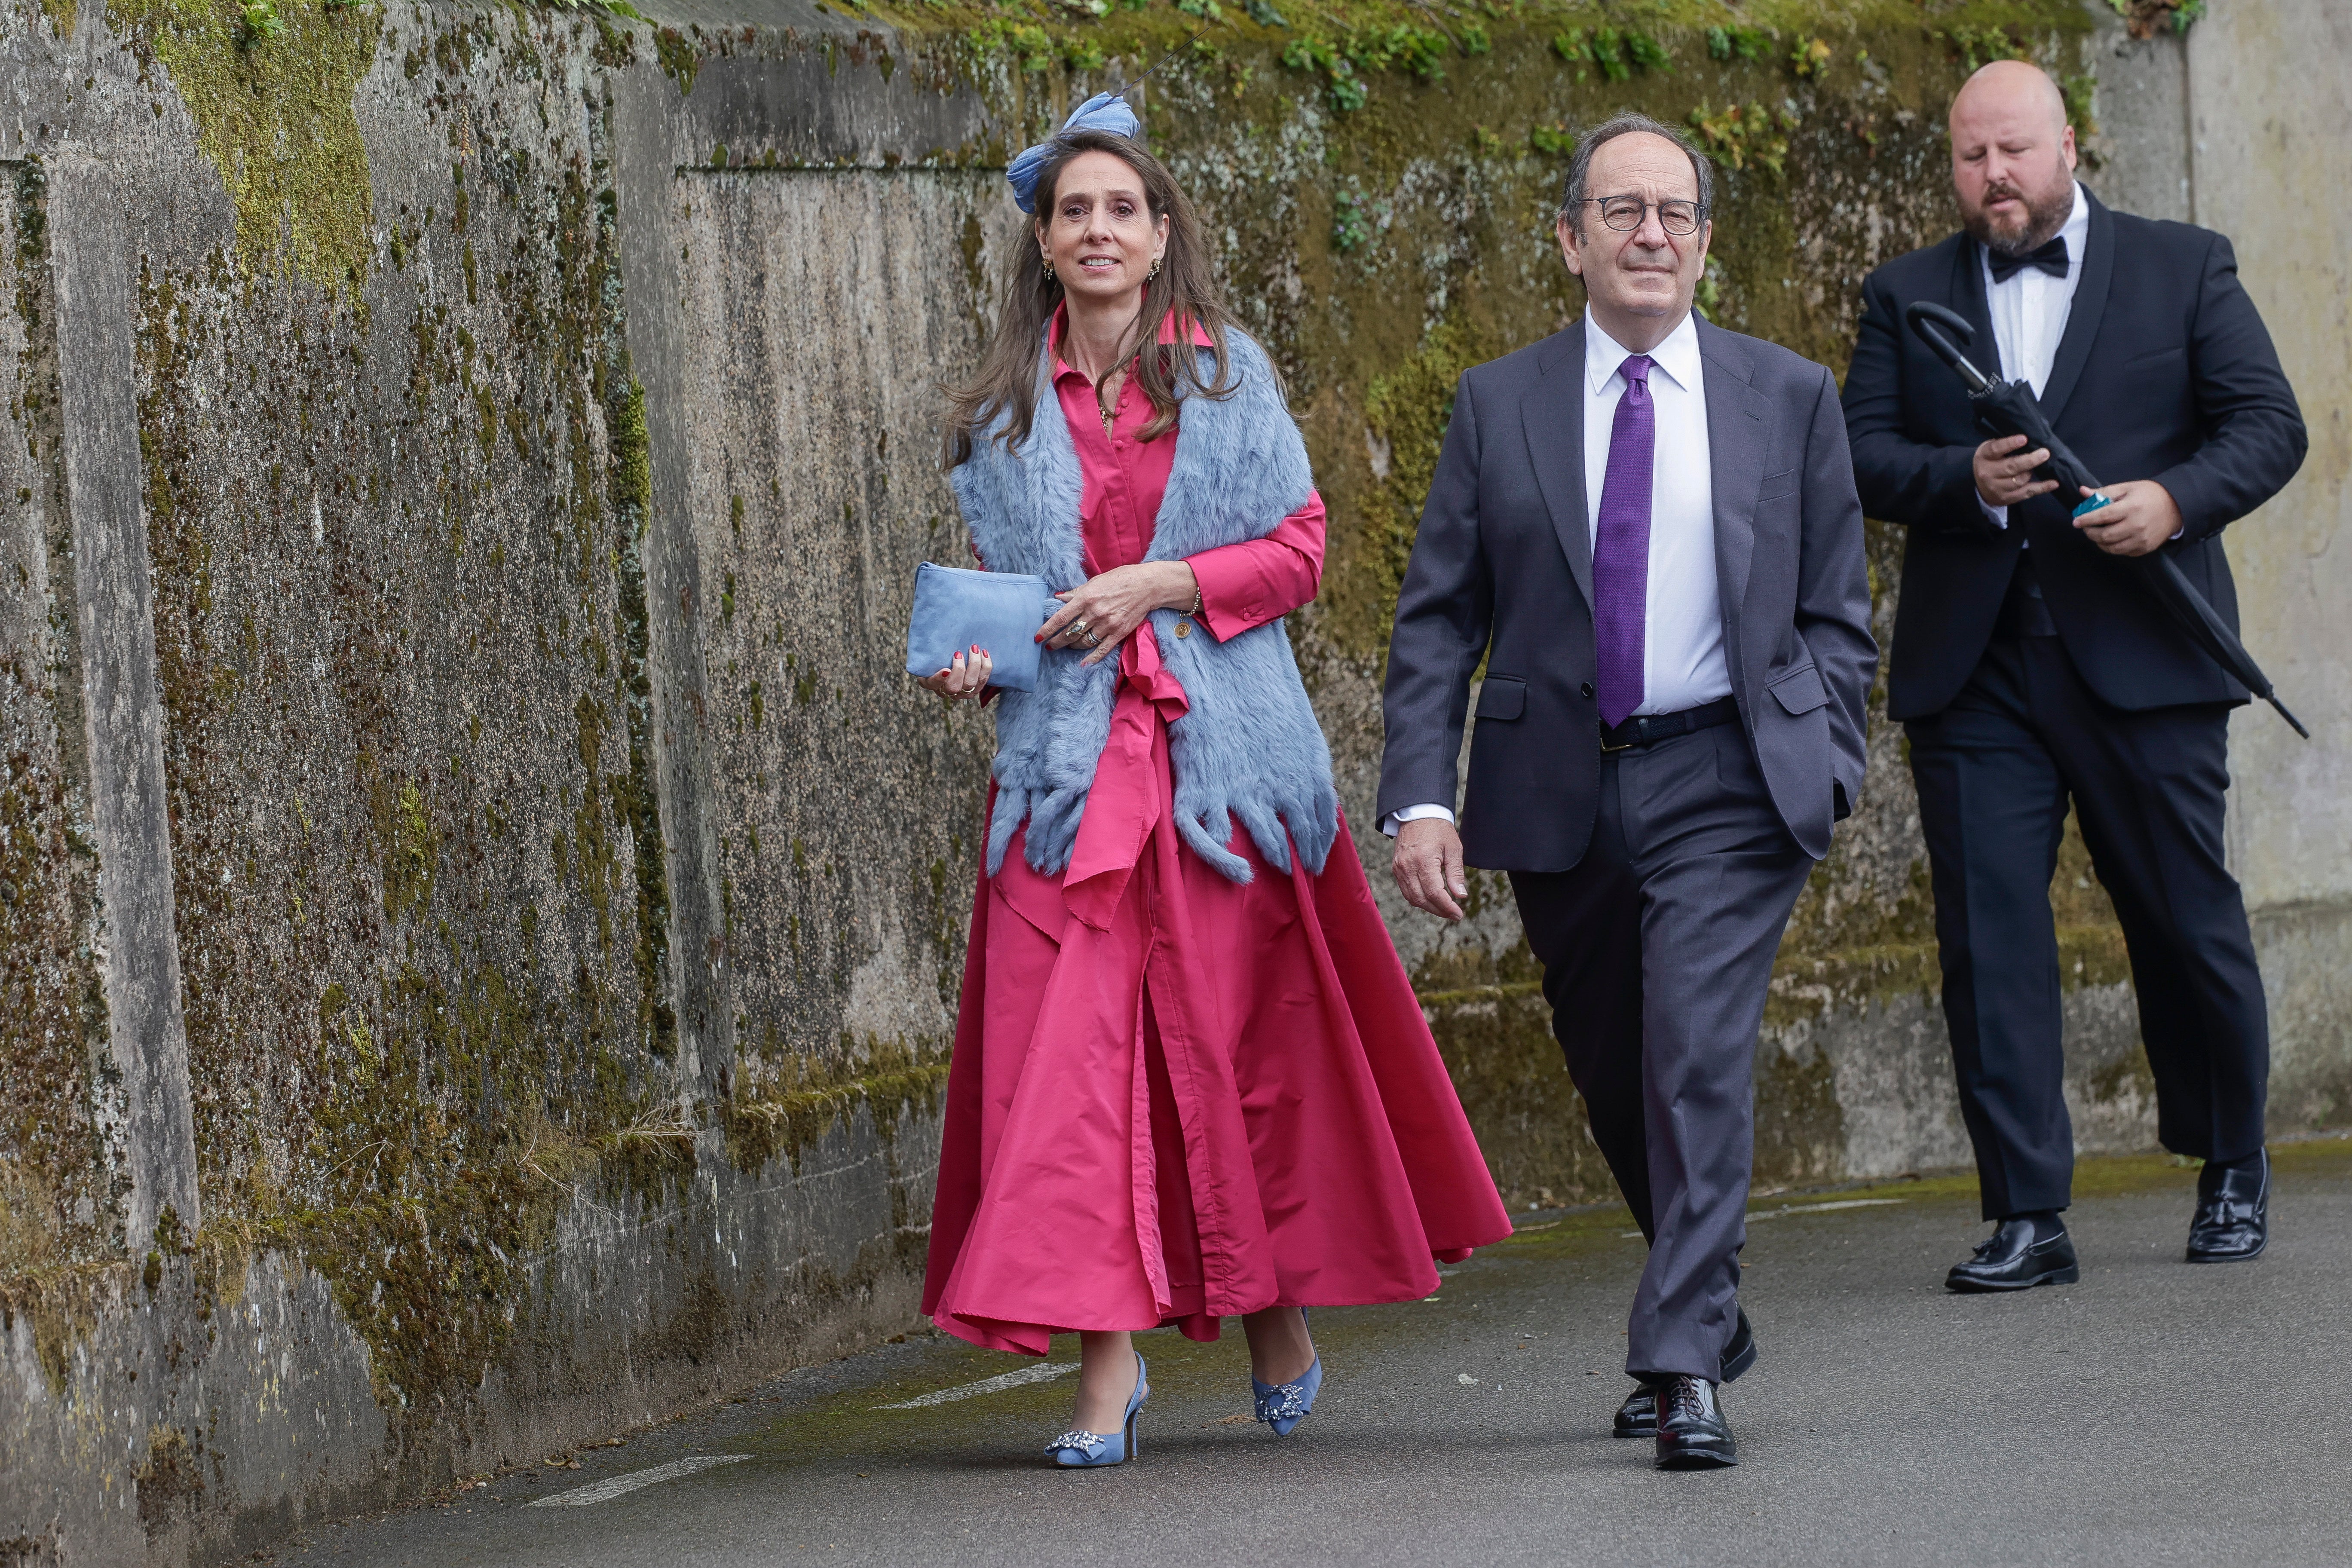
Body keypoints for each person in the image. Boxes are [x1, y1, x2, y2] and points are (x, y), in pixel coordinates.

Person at [917, 94, 1512, 1470]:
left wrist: (1165, 583)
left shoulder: (1230, 380)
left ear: (1163, 231)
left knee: (1242, 1061)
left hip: (1221, 781)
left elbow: (1300, 552)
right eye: (1076, 210)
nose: (1100, 228)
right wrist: (969, 665)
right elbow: (1005, 608)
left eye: (1124, 207)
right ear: (1046, 243)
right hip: (1069, 782)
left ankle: (1276, 1314)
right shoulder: (1000, 415)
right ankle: (1107, 1373)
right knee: (1076, 1082)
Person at [1378, 111, 1876, 1469]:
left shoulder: (1790, 397)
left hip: (1729, 774)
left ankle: (1677, 1366)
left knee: (1693, 1055)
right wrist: (1421, 795)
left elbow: (1839, 614)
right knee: (1613, 1068)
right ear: (1570, 240)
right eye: (1621, 211)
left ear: (1707, 243)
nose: (1650, 234)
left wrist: (1828, 757)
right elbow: (1437, 619)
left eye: (1674, 213)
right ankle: (1709, 1301)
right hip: (1557, 789)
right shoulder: (1499, 403)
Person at [1842, 61, 2306, 1290]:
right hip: (1976, 667)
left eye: (2014, 151)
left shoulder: (2185, 264)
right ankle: (2028, 1215)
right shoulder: (1903, 292)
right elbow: (1855, 455)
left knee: (2183, 917)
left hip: (2147, 653)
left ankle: (2232, 1167)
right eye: (1969, 156)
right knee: (1989, 942)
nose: (1992, 177)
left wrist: (2173, 502)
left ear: (2070, 144)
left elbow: (2269, 425)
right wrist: (1962, 484)